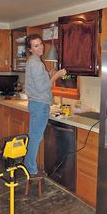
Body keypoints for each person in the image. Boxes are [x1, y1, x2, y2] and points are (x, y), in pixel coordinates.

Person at [24, 34, 66, 176]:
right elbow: (42, 88)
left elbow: (39, 82)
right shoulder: (36, 63)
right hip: (40, 105)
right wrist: (56, 75)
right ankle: (31, 168)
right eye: (36, 45)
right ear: (30, 49)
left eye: (40, 43)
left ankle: (28, 165)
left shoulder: (34, 62)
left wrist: (49, 74)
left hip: (36, 104)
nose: (40, 47)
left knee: (35, 137)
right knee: (35, 138)